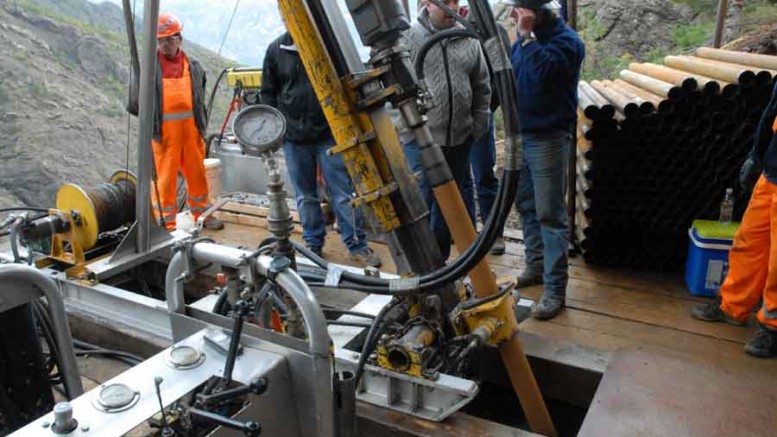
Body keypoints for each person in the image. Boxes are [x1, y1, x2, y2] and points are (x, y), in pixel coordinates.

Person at [261, 31, 382, 268]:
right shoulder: (276, 50)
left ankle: (356, 243)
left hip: (329, 133)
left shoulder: (325, 44)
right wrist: (275, 130)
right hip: (294, 137)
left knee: (343, 193)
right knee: (305, 194)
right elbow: (268, 93)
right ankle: (314, 242)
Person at [507, 0, 584, 320]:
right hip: (522, 136)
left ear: (534, 13)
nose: (513, 16)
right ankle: (536, 265)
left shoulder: (568, 43)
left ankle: (555, 290)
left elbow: (541, 75)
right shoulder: (527, 40)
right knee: (526, 205)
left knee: (550, 216)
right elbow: (513, 78)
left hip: (548, 139)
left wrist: (525, 37)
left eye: (518, 11)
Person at [691, 81, 777, 359]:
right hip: (772, 174)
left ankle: (773, 327)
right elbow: (770, 114)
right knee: (748, 242)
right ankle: (733, 305)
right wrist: (756, 156)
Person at [400, 0, 491, 260]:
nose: (453, 7)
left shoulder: (466, 37)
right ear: (427, 4)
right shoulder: (409, 38)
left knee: (449, 205)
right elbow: (393, 87)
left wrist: (479, 123)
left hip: (460, 139)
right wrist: (406, 130)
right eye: (446, 2)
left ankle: (441, 262)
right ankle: (422, 264)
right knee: (425, 201)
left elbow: (482, 85)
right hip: (422, 141)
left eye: (456, 1)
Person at [128, 13, 223, 231]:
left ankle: (204, 215)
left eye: (169, 39)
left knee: (198, 175)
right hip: (164, 135)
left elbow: (199, 96)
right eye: (160, 40)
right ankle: (165, 224)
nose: (165, 44)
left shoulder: (194, 66)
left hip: (191, 132)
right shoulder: (148, 69)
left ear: (179, 39)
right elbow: (134, 103)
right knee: (164, 180)